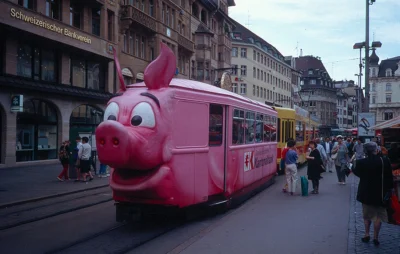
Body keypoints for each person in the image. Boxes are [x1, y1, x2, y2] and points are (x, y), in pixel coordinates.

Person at [353, 142, 394, 246]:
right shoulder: (384, 161)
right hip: (381, 193)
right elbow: (390, 176)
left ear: (365, 151)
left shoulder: (361, 162)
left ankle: (367, 234)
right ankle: (376, 237)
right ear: (376, 150)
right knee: (378, 216)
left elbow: (357, 173)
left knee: (367, 216)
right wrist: (390, 189)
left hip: (366, 193)